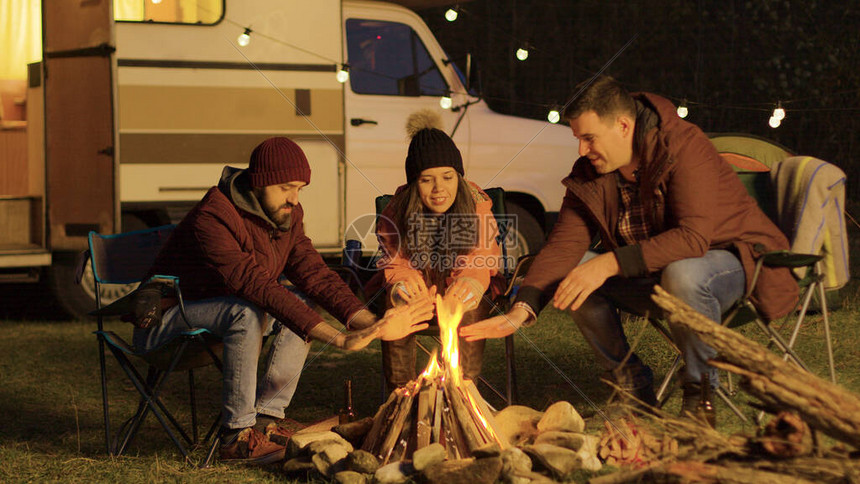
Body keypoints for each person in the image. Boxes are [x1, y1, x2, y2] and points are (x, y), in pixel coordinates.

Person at [461, 76, 798, 419]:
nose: (581, 150)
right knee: (578, 275)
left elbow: (693, 238)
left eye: (589, 138)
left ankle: (700, 394)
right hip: (655, 274)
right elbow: (564, 245)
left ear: (623, 126)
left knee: (681, 272)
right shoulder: (591, 172)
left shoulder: (683, 147)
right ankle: (633, 387)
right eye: (578, 139)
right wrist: (524, 307)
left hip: (735, 262)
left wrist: (608, 264)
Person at [133, 137, 432, 464]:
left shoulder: (286, 214)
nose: (294, 198)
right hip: (165, 323)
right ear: (259, 183)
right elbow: (254, 285)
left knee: (300, 299)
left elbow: (315, 274)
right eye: (286, 187)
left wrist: (373, 325)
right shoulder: (213, 216)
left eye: (300, 188)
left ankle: (266, 418)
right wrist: (341, 340)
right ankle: (236, 437)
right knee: (247, 311)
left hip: (219, 321)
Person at [367, 109, 504, 391]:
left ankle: (462, 392)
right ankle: (401, 395)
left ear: (459, 177)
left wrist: (468, 284)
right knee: (397, 304)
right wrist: (403, 286)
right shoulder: (398, 209)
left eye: (447, 177)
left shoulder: (474, 204)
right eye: (427, 179)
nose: (439, 188)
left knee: (470, 305)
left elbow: (479, 257)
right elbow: (396, 263)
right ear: (415, 183)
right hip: (423, 292)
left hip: (461, 288)